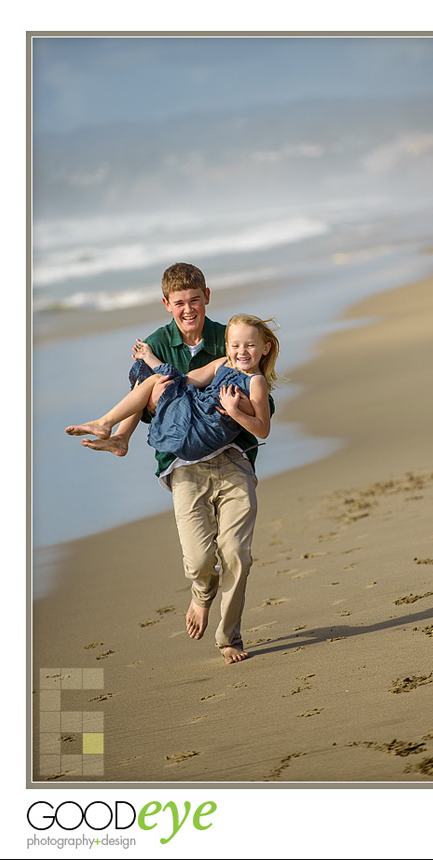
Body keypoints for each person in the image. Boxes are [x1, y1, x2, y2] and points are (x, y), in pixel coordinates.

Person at [71, 263, 277, 664]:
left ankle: (229, 636)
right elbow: (152, 404)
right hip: (181, 464)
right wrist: (153, 398)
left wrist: (237, 408)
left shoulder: (231, 337)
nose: (188, 310)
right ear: (166, 304)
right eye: (179, 303)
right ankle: (202, 594)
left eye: (194, 300)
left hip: (234, 457)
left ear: (207, 298)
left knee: (237, 553)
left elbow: (262, 395)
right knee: (200, 560)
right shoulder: (157, 343)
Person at [65, 314, 278, 463]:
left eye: (250, 345)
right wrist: (150, 358)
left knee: (155, 377)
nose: (242, 351)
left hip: (202, 432)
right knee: (154, 376)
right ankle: (115, 434)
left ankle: (108, 425)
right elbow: (181, 380)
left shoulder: (255, 381)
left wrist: (235, 412)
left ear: (265, 348)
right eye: (235, 345)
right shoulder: (221, 363)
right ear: (227, 346)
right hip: (192, 421)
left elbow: (263, 430)